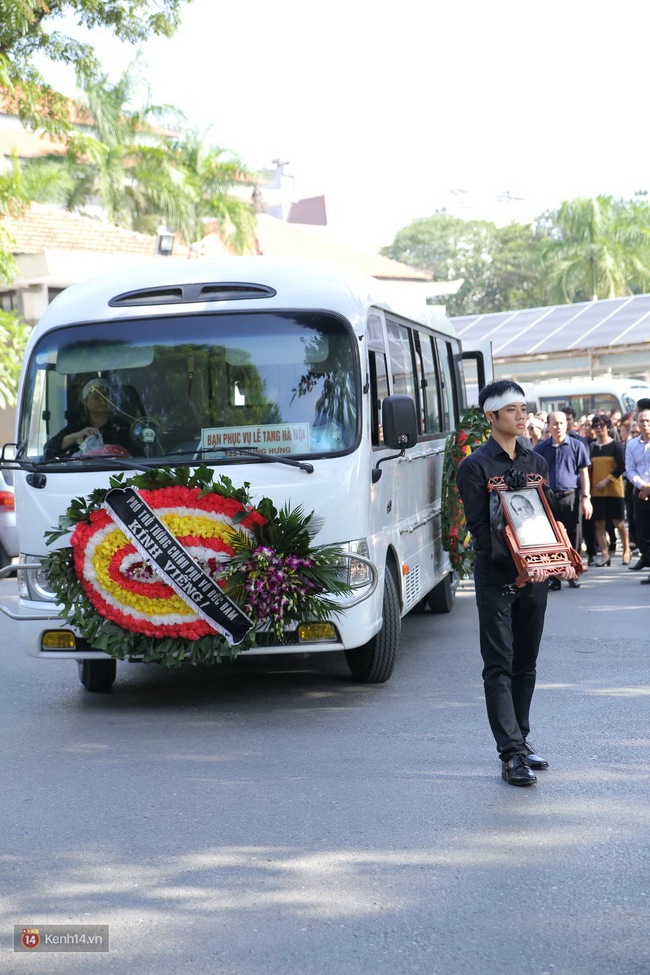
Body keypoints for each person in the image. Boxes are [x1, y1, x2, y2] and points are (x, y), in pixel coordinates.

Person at [456, 379, 577, 787]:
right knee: (499, 665)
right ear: (491, 417)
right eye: (513, 411)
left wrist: (554, 555)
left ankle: (522, 742)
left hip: (536, 575)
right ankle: (509, 755)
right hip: (497, 577)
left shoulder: (536, 461)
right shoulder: (473, 466)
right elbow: (480, 529)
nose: (522, 416)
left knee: (526, 662)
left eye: (524, 409)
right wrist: (518, 563)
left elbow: (544, 516)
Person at [534, 410, 593, 589]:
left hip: (571, 497)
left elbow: (584, 474)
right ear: (548, 426)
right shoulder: (541, 448)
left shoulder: (576, 445)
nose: (558, 426)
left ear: (566, 425)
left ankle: (573, 572)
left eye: (561, 423)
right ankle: (554, 576)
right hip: (548, 498)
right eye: (554, 423)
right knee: (551, 538)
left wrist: (586, 498)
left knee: (574, 535)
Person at [43, 378, 136, 460]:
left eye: (106, 395)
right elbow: (49, 448)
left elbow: (139, 456)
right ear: (85, 402)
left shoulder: (123, 427)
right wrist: (78, 436)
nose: (102, 400)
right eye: (96, 396)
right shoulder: (76, 428)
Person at [589, 414, 631, 565]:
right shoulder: (592, 447)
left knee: (618, 522)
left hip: (614, 490)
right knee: (599, 523)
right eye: (596, 426)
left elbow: (622, 466)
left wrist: (606, 480)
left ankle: (626, 550)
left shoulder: (616, 445)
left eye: (602, 425)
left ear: (608, 426)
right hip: (596, 491)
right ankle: (605, 554)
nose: (599, 428)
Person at [625, 407, 650, 578]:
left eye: (648, 420)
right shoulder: (632, 444)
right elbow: (630, 469)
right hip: (640, 493)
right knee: (643, 533)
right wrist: (642, 486)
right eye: (642, 421)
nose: (645, 424)